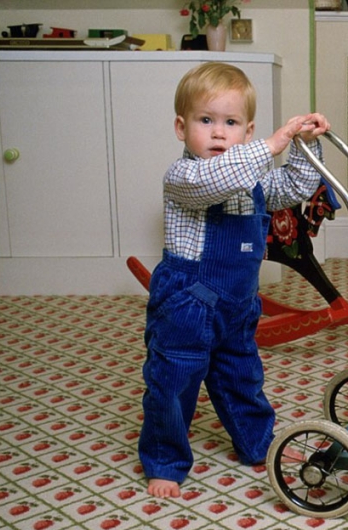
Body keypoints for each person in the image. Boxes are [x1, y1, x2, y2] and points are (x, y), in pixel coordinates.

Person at [138, 61, 331, 498]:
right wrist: (270, 145)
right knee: (172, 382)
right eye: (206, 121)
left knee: (242, 376)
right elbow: (215, 182)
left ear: (247, 131)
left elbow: (298, 185)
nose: (219, 133)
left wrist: (301, 144)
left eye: (231, 123)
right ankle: (165, 460)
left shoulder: (253, 179)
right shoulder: (184, 177)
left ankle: (257, 442)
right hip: (188, 303)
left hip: (238, 305)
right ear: (181, 127)